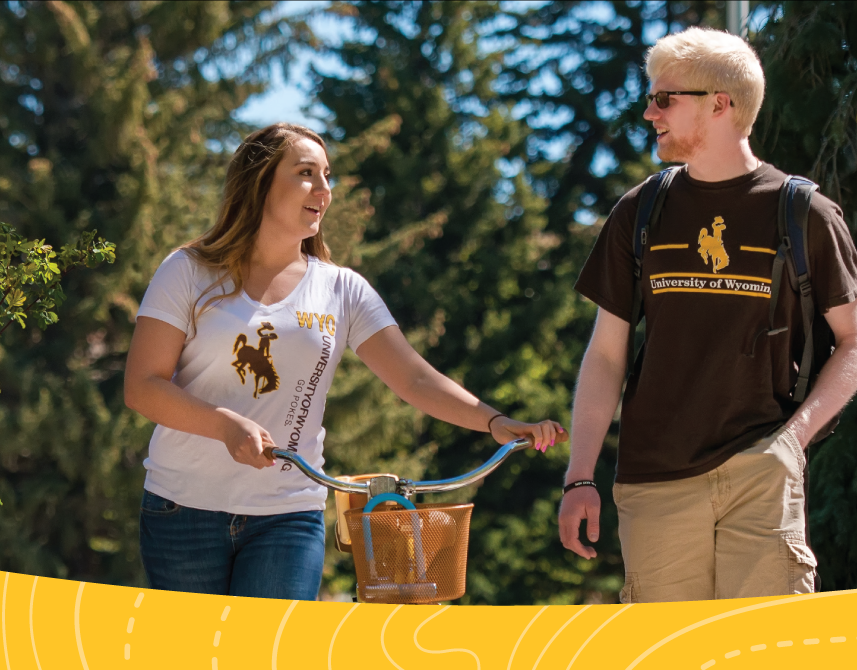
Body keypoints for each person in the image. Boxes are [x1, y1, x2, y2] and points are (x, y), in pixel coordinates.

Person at [124, 123, 567, 600]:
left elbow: (415, 379)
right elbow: (143, 386)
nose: (324, 189)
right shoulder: (187, 271)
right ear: (260, 181)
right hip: (182, 509)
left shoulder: (342, 290)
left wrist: (493, 421)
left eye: (327, 175)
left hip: (287, 514)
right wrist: (224, 425)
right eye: (306, 173)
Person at [555, 27, 857, 603]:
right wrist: (581, 475)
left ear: (720, 105)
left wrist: (794, 439)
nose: (649, 112)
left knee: (761, 652)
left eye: (664, 99)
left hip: (761, 470)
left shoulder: (804, 212)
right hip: (653, 480)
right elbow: (607, 354)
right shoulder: (640, 211)